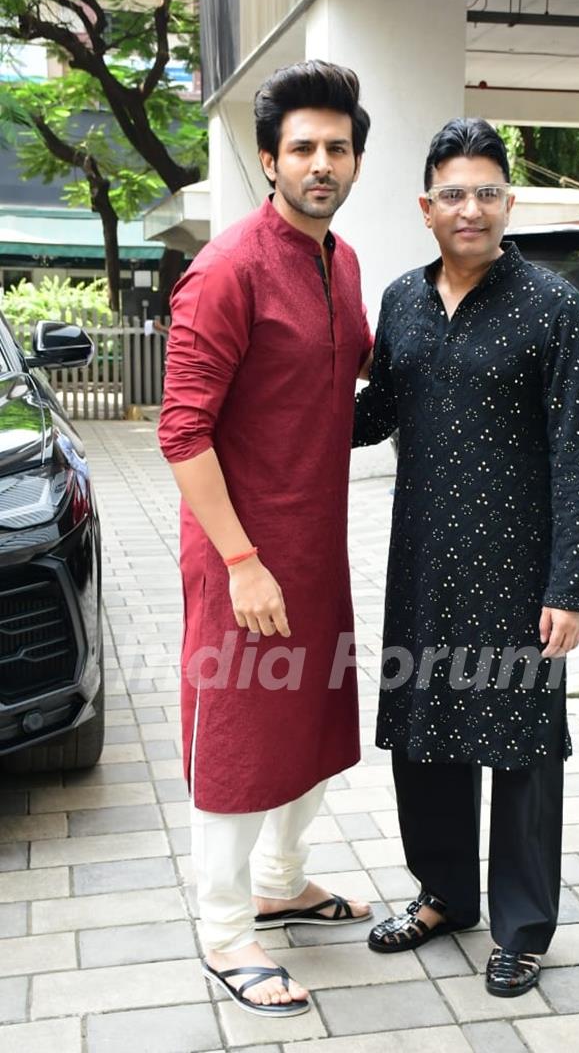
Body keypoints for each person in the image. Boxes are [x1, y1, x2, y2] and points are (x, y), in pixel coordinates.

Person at [353, 118, 579, 997]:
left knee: (525, 751)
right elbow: (375, 410)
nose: (471, 209)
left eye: (486, 192)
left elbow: (577, 453)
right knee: (424, 738)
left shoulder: (552, 307)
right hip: (422, 561)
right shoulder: (401, 301)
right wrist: (277, 403)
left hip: (519, 573)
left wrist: (570, 587)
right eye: (453, 194)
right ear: (426, 208)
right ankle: (445, 896)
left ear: (509, 202)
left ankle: (524, 927)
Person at [158, 60, 374, 1018]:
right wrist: (240, 562)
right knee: (241, 735)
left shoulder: (346, 261)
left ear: (356, 159)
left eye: (336, 147)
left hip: (317, 549)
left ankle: (283, 881)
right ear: (268, 160)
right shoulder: (228, 268)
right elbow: (181, 431)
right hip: (240, 558)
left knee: (314, 725)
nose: (320, 163)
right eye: (302, 149)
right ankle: (224, 928)